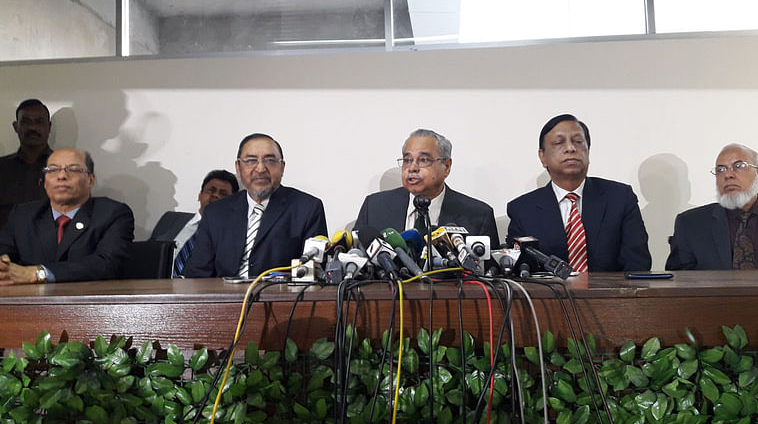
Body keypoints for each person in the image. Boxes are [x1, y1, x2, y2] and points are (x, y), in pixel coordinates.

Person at [506, 114, 651, 272]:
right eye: (559, 142)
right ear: (542, 157)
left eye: (578, 141)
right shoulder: (522, 209)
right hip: (548, 296)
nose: (570, 148)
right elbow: (519, 271)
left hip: (609, 294)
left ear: (588, 151)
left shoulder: (620, 198)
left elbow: (637, 264)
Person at [185, 133, 327, 278]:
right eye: (251, 160)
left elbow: (313, 274)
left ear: (282, 168)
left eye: (270, 160)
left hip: (279, 298)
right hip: (224, 297)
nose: (260, 169)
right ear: (238, 168)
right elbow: (197, 274)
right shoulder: (216, 213)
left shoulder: (307, 209)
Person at [0, 148, 134, 284]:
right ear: (45, 182)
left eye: (73, 169)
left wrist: (38, 273)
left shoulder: (112, 214)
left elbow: (107, 264)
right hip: (27, 301)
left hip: (89, 302)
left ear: (91, 180)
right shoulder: (22, 215)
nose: (62, 176)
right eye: (53, 170)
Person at [354, 128, 500, 247]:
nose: (412, 168)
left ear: (447, 167)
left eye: (423, 160)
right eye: (407, 160)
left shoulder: (478, 215)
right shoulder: (374, 208)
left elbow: (489, 276)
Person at [666, 143, 758, 270]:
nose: (728, 175)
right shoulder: (690, 224)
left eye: (739, 166)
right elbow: (678, 280)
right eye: (721, 169)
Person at [150, 169, 239, 276]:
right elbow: (147, 252)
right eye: (211, 190)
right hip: (154, 283)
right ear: (200, 195)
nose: (215, 196)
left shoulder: (232, 235)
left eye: (223, 194)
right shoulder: (170, 219)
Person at [0, 99, 53, 228]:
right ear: (15, 126)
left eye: (39, 122)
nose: (32, 128)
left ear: (49, 127)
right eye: (26, 122)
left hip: (52, 246)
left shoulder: (69, 169)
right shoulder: (2, 168)